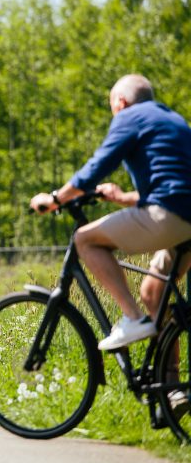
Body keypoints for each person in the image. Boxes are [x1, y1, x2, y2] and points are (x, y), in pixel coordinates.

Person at [30, 74, 191, 352]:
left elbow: (97, 167)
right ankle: (172, 390)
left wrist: (55, 198)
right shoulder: (173, 121)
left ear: (121, 102)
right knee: (153, 293)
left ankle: (132, 317)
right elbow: (173, 186)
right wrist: (122, 198)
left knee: (85, 239)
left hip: (169, 216)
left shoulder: (131, 116)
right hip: (183, 218)